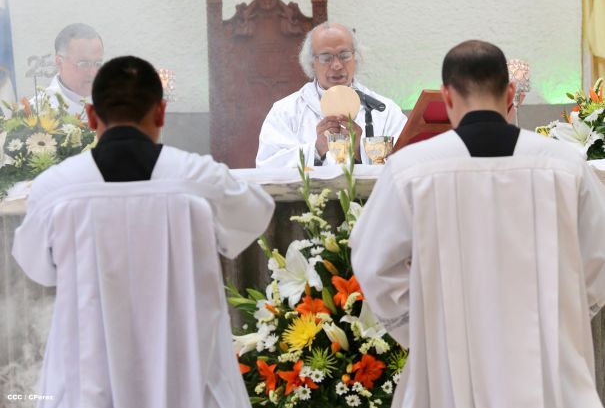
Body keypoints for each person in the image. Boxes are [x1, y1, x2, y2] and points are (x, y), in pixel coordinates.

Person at [350, 40, 605, 408]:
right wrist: (564, 316)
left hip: (446, 366)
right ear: (511, 94)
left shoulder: (411, 169)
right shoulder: (564, 164)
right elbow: (597, 254)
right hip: (550, 364)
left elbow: (373, 261)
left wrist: (421, 325)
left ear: (447, 97)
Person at [13, 56, 275, 408]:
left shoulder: (56, 188)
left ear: (91, 117)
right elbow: (255, 215)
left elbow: (36, 267)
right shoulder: (200, 178)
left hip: (87, 383)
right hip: (189, 380)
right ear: (161, 112)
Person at [256, 22, 407, 168]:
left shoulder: (385, 111)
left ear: (356, 57)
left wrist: (359, 152)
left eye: (344, 55)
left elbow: (406, 165)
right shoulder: (285, 112)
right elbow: (267, 166)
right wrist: (316, 149)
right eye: (326, 58)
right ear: (311, 63)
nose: (337, 65)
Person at [34, 23, 104, 116]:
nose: (93, 72)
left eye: (98, 64)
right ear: (59, 63)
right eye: (84, 64)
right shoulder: (36, 114)